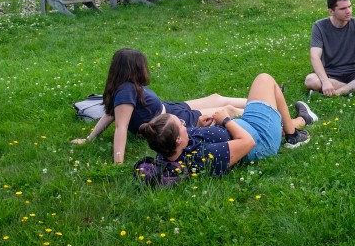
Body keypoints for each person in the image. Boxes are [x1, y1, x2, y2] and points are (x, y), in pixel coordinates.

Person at [71, 47, 249, 163]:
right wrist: (118, 161)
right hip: (173, 120)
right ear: (133, 69)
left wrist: (89, 138)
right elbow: (120, 126)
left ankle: (258, 101)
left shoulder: (123, 84)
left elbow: (109, 114)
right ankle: (260, 109)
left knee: (216, 98)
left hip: (170, 108)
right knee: (227, 110)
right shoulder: (126, 91)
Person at [139, 73, 317, 175]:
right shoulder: (204, 156)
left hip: (247, 126)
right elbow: (248, 142)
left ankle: (302, 119)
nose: (185, 124)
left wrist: (200, 125)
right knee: (265, 80)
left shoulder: (170, 146)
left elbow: (195, 136)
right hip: (261, 139)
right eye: (181, 124)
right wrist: (225, 120)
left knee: (261, 92)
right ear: (178, 139)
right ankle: (293, 136)